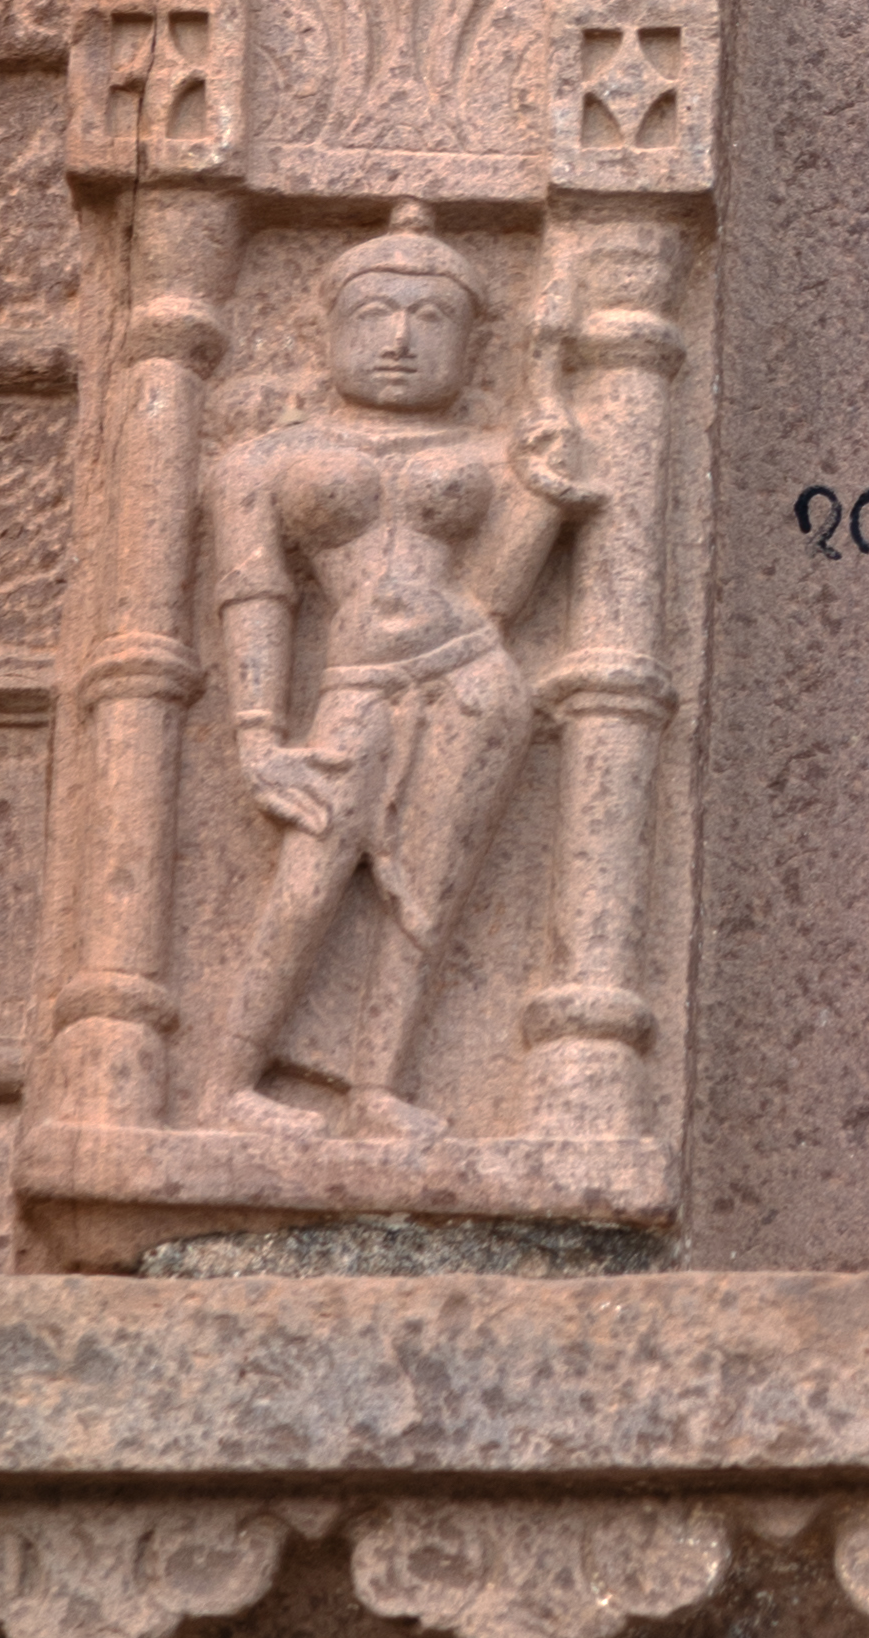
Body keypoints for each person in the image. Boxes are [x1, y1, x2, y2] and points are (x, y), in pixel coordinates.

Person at [200, 210, 598, 1148]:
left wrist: (540, 493)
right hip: (355, 686)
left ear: (470, 341)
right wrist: (258, 735)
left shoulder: (490, 455)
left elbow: (496, 601)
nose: (399, 339)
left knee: (427, 891)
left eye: (432, 319)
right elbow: (256, 593)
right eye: (376, 312)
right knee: (308, 881)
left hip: (470, 676)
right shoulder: (265, 460)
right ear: (326, 327)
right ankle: (227, 1080)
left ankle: (379, 1086)